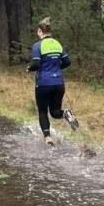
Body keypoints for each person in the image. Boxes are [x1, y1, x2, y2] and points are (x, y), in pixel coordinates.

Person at [27, 17, 78, 145]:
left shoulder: (37, 45)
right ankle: (66, 113)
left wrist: (29, 68)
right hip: (59, 83)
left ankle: (48, 138)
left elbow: (36, 64)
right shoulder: (57, 43)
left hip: (43, 84)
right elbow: (67, 62)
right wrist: (56, 68)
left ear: (40, 31)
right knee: (55, 112)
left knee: (43, 111)